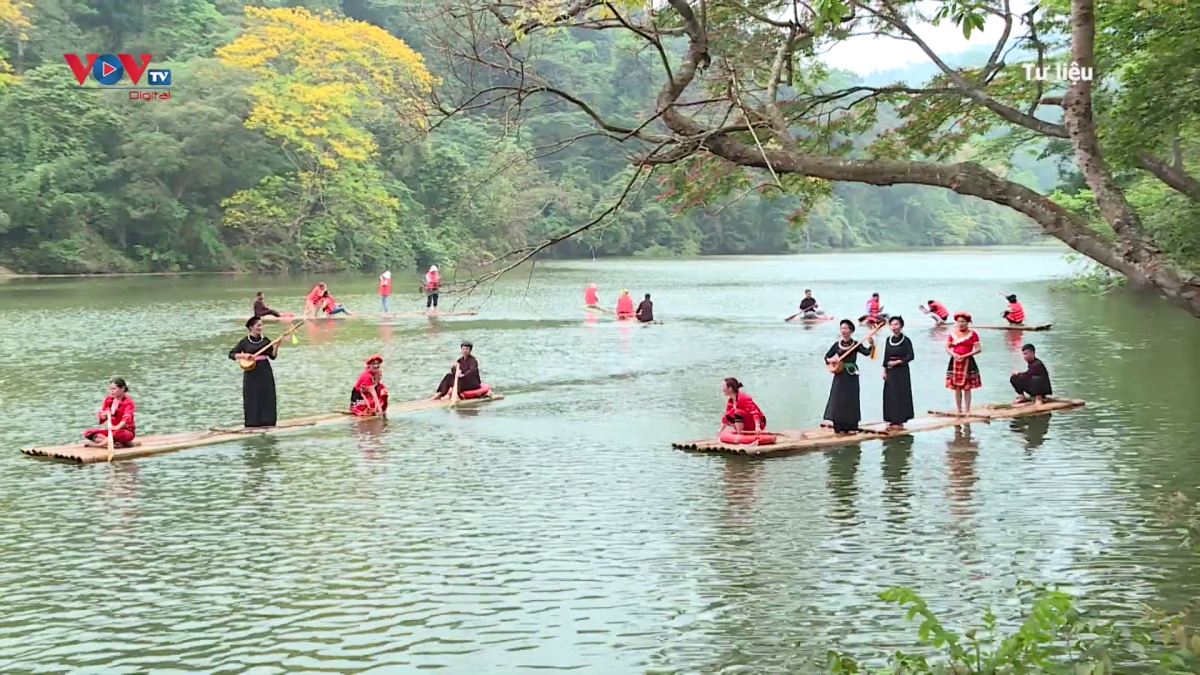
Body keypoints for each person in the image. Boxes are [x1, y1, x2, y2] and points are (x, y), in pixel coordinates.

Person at [823, 319, 875, 434]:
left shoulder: (856, 344)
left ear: (851, 331)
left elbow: (867, 353)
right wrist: (831, 360)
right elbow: (826, 357)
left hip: (851, 375)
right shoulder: (837, 345)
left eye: (846, 328)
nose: (843, 331)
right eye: (842, 328)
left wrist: (871, 344)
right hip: (840, 374)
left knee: (851, 399)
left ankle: (851, 425)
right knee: (838, 398)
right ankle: (838, 425)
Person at [229, 316, 279, 427]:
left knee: (267, 394)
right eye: (258, 325)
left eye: (261, 325)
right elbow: (231, 354)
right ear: (251, 327)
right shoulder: (244, 342)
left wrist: (276, 347)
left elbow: (273, 356)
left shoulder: (266, 340)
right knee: (253, 395)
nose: (260, 328)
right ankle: (253, 422)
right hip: (251, 372)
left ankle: (268, 421)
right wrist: (243, 355)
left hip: (265, 370)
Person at [945, 311, 982, 414]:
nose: (960, 324)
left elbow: (978, 349)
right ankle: (959, 409)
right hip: (955, 361)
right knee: (956, 387)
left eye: (963, 321)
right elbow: (947, 347)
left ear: (967, 322)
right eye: (959, 321)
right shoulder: (952, 334)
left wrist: (965, 355)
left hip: (968, 361)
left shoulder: (973, 334)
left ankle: (968, 409)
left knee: (967, 387)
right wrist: (954, 354)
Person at [882, 316, 915, 429]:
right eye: (892, 325)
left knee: (900, 394)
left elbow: (911, 356)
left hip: (902, 371)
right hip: (890, 371)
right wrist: (884, 370)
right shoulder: (888, 340)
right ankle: (890, 418)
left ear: (901, 326)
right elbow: (886, 356)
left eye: (896, 324)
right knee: (890, 394)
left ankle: (900, 419)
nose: (894, 327)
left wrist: (898, 362)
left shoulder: (906, 340)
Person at [83, 378, 136, 447]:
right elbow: (103, 415)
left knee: (117, 434)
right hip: (112, 431)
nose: (111, 391)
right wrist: (103, 415)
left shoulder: (129, 402)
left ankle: (100, 444)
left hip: (125, 431)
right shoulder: (108, 399)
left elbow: (126, 419)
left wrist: (116, 427)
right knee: (89, 432)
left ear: (122, 388)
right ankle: (116, 443)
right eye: (110, 389)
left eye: (113, 389)